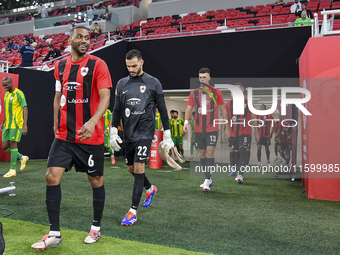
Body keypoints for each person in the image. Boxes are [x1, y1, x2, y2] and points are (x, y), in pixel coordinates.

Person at [31, 26, 112, 250]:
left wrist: (94, 120)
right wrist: (56, 120)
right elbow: (58, 95)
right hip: (65, 136)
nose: (84, 41)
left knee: (95, 181)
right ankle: (54, 233)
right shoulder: (60, 65)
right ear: (70, 40)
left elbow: (105, 97)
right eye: (80, 37)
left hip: (90, 137)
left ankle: (96, 227)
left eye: (87, 38)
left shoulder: (98, 65)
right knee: (51, 176)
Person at [110, 49, 173, 226]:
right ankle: (150, 188)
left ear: (142, 63)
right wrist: (113, 131)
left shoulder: (154, 82)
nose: (131, 69)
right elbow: (116, 110)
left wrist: (167, 134)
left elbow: (162, 108)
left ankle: (132, 212)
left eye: (134, 66)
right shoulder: (122, 84)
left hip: (146, 132)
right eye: (128, 66)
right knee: (131, 169)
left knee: (138, 168)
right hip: (128, 133)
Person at [183, 68, 228, 191]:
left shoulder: (217, 92)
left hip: (212, 128)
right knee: (202, 154)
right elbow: (188, 109)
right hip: (198, 129)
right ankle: (208, 177)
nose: (202, 79)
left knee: (209, 152)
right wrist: (186, 123)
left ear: (209, 78)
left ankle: (207, 180)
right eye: (200, 77)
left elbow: (223, 110)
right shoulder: (194, 93)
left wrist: (226, 127)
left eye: (204, 77)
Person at [225, 83, 259, 183]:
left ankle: (240, 174)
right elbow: (226, 118)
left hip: (245, 131)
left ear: (242, 90)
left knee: (243, 150)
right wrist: (225, 130)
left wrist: (256, 132)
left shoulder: (248, 102)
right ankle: (235, 169)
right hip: (232, 132)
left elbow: (253, 117)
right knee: (235, 151)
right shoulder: (228, 104)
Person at [1, 77, 29, 178]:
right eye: (3, 86)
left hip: (16, 123)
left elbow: (25, 108)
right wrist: (3, 122)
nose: (4, 87)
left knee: (13, 144)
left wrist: (25, 124)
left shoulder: (19, 93)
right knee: (4, 146)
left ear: (11, 83)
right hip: (7, 124)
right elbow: (7, 109)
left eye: (6, 85)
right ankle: (22, 158)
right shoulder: (6, 94)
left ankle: (12, 170)